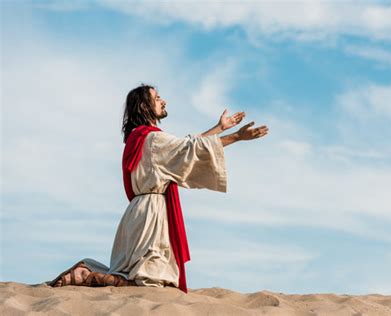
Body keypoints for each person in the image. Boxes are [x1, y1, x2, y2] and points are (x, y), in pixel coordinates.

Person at [46, 84, 269, 292]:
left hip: (138, 212)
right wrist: (237, 136)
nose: (164, 101)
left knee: (140, 275)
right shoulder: (153, 139)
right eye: (157, 98)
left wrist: (219, 128)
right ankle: (89, 275)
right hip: (152, 215)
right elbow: (189, 149)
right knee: (151, 281)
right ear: (144, 106)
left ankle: (89, 272)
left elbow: (186, 147)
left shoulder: (141, 138)